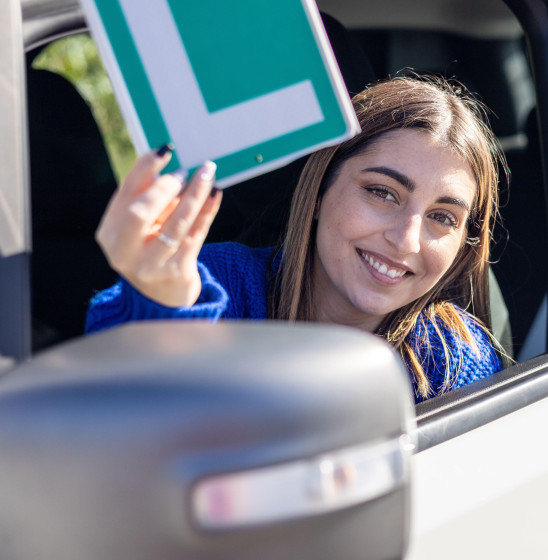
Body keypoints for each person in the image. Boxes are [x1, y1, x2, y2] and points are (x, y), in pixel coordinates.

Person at [86, 76, 507, 402]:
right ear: (320, 190)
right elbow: (114, 415)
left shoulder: (453, 358)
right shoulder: (216, 285)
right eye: (382, 193)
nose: (407, 240)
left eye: (442, 217)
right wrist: (158, 306)